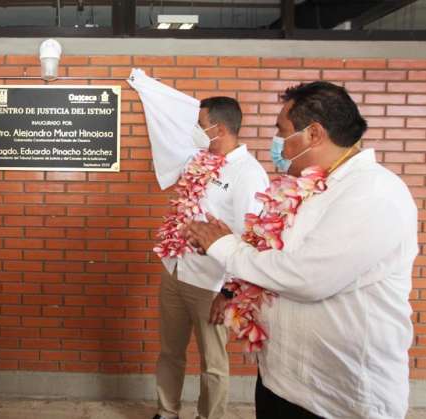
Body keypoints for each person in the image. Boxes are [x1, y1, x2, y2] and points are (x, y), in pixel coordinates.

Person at [187, 81, 417, 418]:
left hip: (338, 399)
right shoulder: (306, 188)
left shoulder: (374, 193)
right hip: (281, 381)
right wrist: (230, 249)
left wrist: (226, 248)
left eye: (282, 130)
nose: (277, 142)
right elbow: (272, 255)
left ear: (314, 134)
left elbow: (306, 278)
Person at [153, 97, 269, 419]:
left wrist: (229, 292)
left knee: (213, 364)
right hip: (177, 271)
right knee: (170, 352)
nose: (196, 130)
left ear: (217, 129)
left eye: (200, 124)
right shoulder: (200, 161)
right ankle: (167, 412)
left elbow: (253, 238)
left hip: (213, 284)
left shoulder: (249, 174)